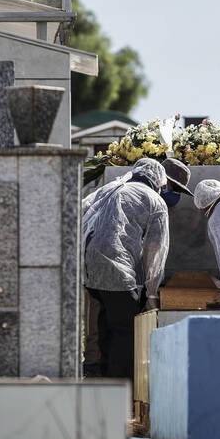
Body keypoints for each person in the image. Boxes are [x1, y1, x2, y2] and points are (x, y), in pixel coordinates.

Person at [82, 158, 170, 379]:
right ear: (159, 182)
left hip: (88, 267)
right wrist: (151, 292)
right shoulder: (154, 200)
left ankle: (101, 382)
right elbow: (155, 253)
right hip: (116, 270)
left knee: (104, 325)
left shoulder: (110, 188)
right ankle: (121, 388)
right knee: (126, 331)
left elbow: (82, 212)